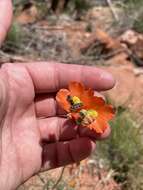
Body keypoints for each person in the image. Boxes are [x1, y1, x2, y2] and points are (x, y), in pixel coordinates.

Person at [0, 1, 115, 189]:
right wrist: (77, 112)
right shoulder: (75, 105)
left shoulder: (85, 111)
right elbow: (76, 107)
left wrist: (83, 114)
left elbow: (85, 112)